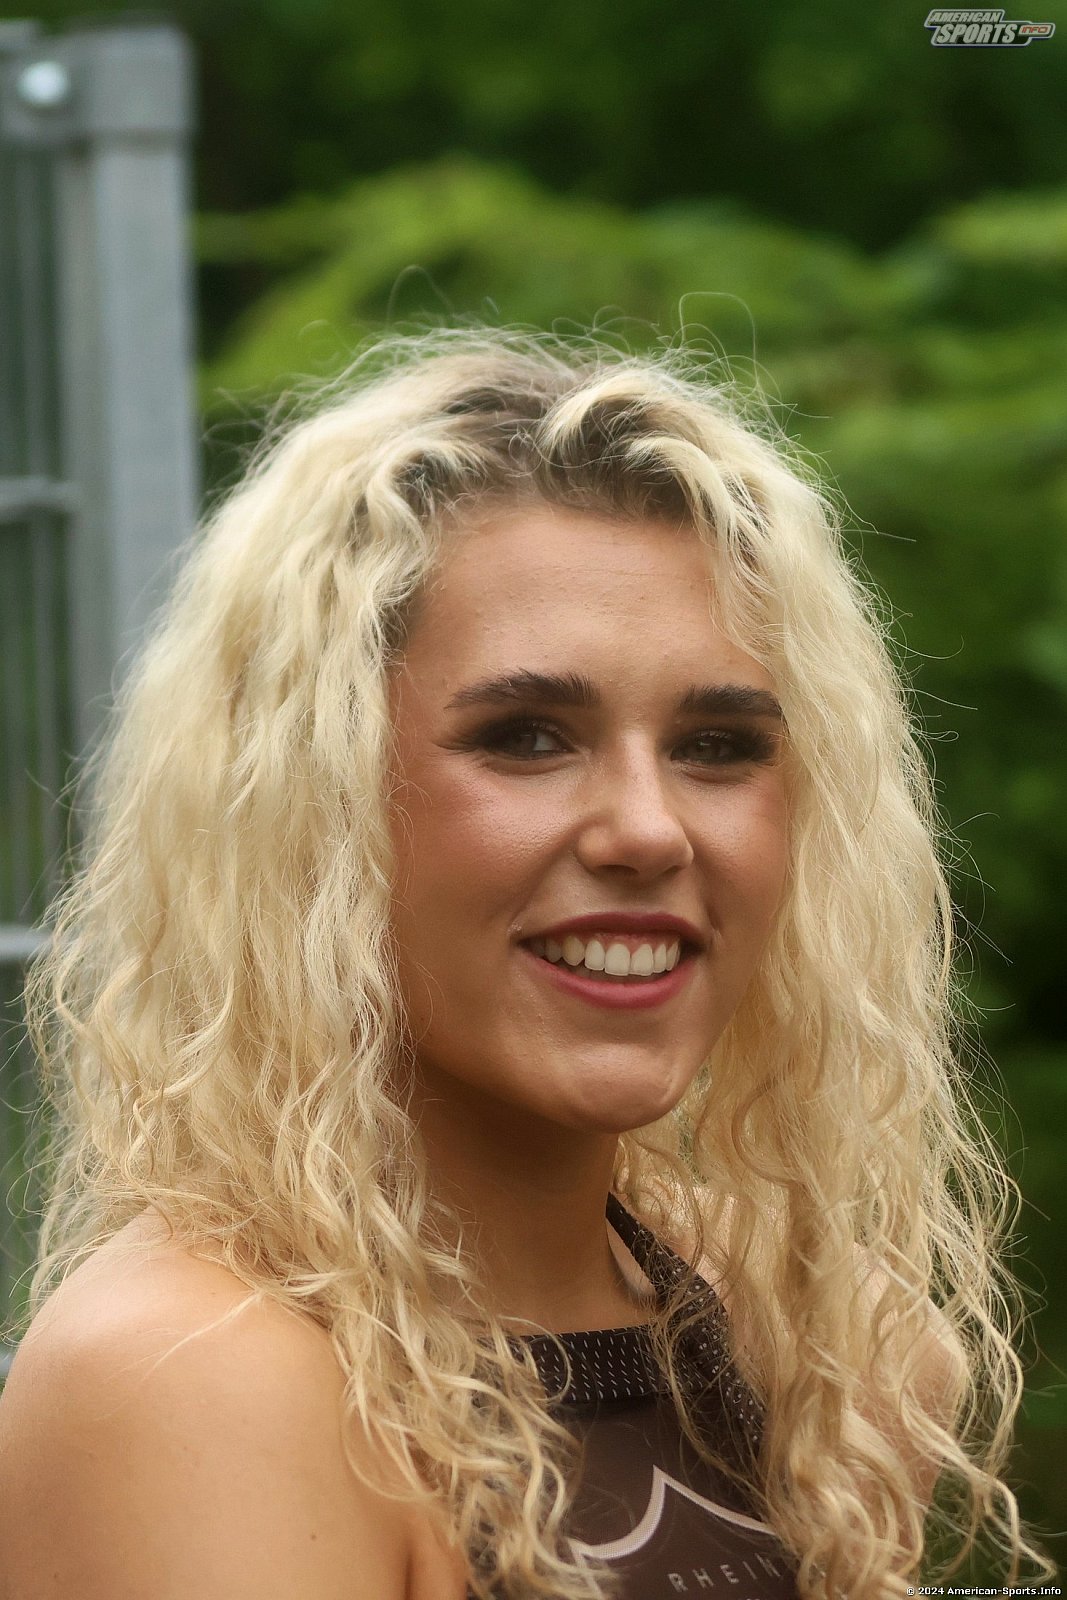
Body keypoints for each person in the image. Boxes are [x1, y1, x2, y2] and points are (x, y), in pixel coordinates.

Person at [0, 328, 1050, 1600]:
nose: (647, 830)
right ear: (310, 803)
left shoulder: (832, 1351)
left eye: (716, 746)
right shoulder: (197, 1378)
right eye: (527, 736)